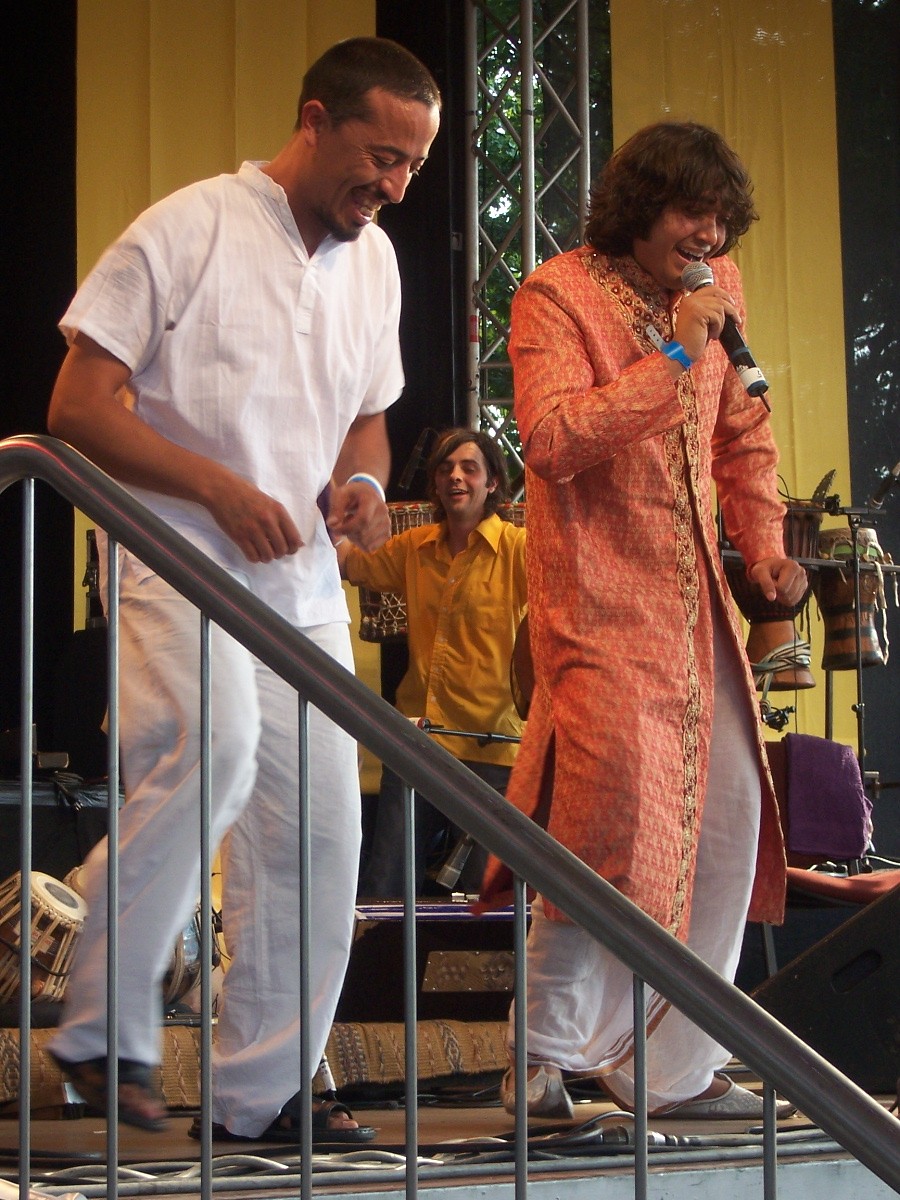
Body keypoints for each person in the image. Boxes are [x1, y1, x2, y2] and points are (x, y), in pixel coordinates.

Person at [45, 37, 441, 1141]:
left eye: (414, 165)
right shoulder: (191, 225)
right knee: (207, 754)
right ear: (314, 120)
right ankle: (100, 1031)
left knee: (319, 833)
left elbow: (369, 410)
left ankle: (261, 1102)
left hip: (304, 584)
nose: (395, 186)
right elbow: (78, 405)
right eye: (379, 155)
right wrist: (218, 489)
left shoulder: (377, 262)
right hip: (174, 556)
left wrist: (362, 480)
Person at [479, 122, 807, 1120]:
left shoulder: (725, 292)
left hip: (697, 600)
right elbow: (552, 439)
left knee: (732, 822)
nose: (705, 232)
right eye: (686, 212)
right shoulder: (555, 293)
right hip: (599, 603)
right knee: (609, 822)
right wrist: (675, 351)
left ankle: (671, 1073)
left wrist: (768, 551)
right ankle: (537, 1058)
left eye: (717, 218)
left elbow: (742, 436)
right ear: (635, 208)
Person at [341, 428, 528, 896]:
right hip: (420, 738)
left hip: (496, 745)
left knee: (487, 902)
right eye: (445, 468)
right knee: (386, 888)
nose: (455, 477)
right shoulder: (415, 546)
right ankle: (385, 967)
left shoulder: (520, 550)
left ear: (492, 485)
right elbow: (351, 564)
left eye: (469, 467)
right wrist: (319, 510)